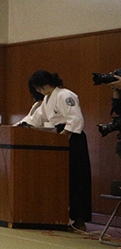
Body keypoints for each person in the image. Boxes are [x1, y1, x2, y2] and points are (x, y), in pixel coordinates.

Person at [18, 70, 89, 232]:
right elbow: (36, 119)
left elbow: (75, 119)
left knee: (76, 178)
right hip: (59, 139)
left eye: (38, 88)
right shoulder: (47, 99)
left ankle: (80, 219)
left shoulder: (65, 95)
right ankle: (62, 216)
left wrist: (63, 137)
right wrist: (20, 127)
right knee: (62, 179)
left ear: (45, 85)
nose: (38, 91)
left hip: (73, 139)